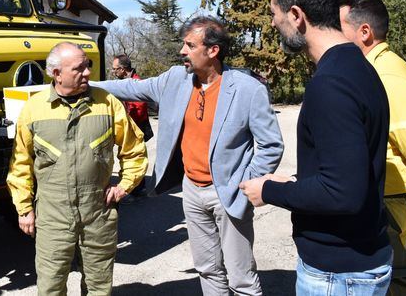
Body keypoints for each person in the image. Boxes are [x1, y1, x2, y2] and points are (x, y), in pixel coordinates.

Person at [93, 16, 283, 295]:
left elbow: (271, 145)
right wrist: (88, 85)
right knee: (207, 269)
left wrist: (247, 185)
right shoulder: (175, 79)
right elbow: (132, 88)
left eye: (189, 45)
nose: (182, 51)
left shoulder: (247, 89)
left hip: (229, 192)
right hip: (191, 192)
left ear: (213, 50)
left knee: (241, 277)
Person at [240, 0, 393, 296]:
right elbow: (349, 172)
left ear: (296, 15)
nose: (272, 23)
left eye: (274, 13)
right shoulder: (357, 66)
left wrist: (268, 192)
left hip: (339, 275)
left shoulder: (331, 84)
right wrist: (297, 183)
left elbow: (343, 193)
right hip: (353, 266)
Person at [6, 42, 148, 295]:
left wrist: (124, 186)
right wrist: (24, 208)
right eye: (79, 68)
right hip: (52, 214)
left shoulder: (107, 103)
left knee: (98, 286)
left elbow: (134, 149)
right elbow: (21, 163)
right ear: (56, 73)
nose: (87, 73)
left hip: (98, 212)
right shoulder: (34, 109)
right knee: (51, 285)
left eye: (87, 66)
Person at [340, 0, 406, 295]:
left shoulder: (386, 75)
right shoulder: (379, 69)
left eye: (338, 25)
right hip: (392, 200)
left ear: (364, 32)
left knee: (402, 281)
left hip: (400, 204)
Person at [111, 54, 154, 198]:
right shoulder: (127, 82)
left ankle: (138, 190)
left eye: (115, 69)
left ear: (123, 69)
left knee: (135, 156)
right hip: (131, 126)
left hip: (136, 127)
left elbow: (140, 109)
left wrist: (126, 118)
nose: (114, 72)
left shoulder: (136, 84)